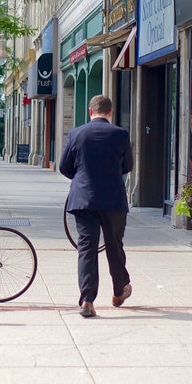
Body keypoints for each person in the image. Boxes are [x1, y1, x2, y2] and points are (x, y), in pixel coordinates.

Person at [58, 94, 134, 318]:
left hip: (84, 199)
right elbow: (127, 165)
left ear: (90, 112)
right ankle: (119, 291)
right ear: (110, 112)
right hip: (113, 200)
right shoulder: (120, 134)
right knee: (114, 246)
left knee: (87, 249)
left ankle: (87, 300)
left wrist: (81, 178)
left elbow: (64, 167)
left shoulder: (76, 133)